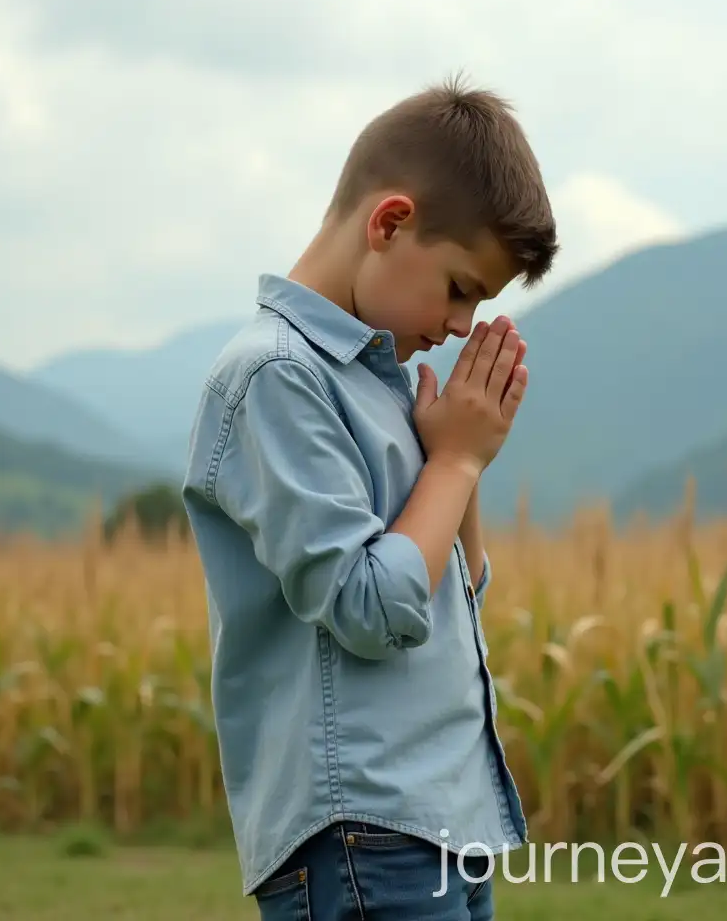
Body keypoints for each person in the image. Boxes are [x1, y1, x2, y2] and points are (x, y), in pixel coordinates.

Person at [182, 74, 558, 920]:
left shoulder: (378, 385)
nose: (462, 325)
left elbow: (454, 592)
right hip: (361, 835)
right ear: (389, 222)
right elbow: (370, 606)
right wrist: (455, 464)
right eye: (460, 287)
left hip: (436, 825)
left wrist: (453, 463)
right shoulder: (276, 378)